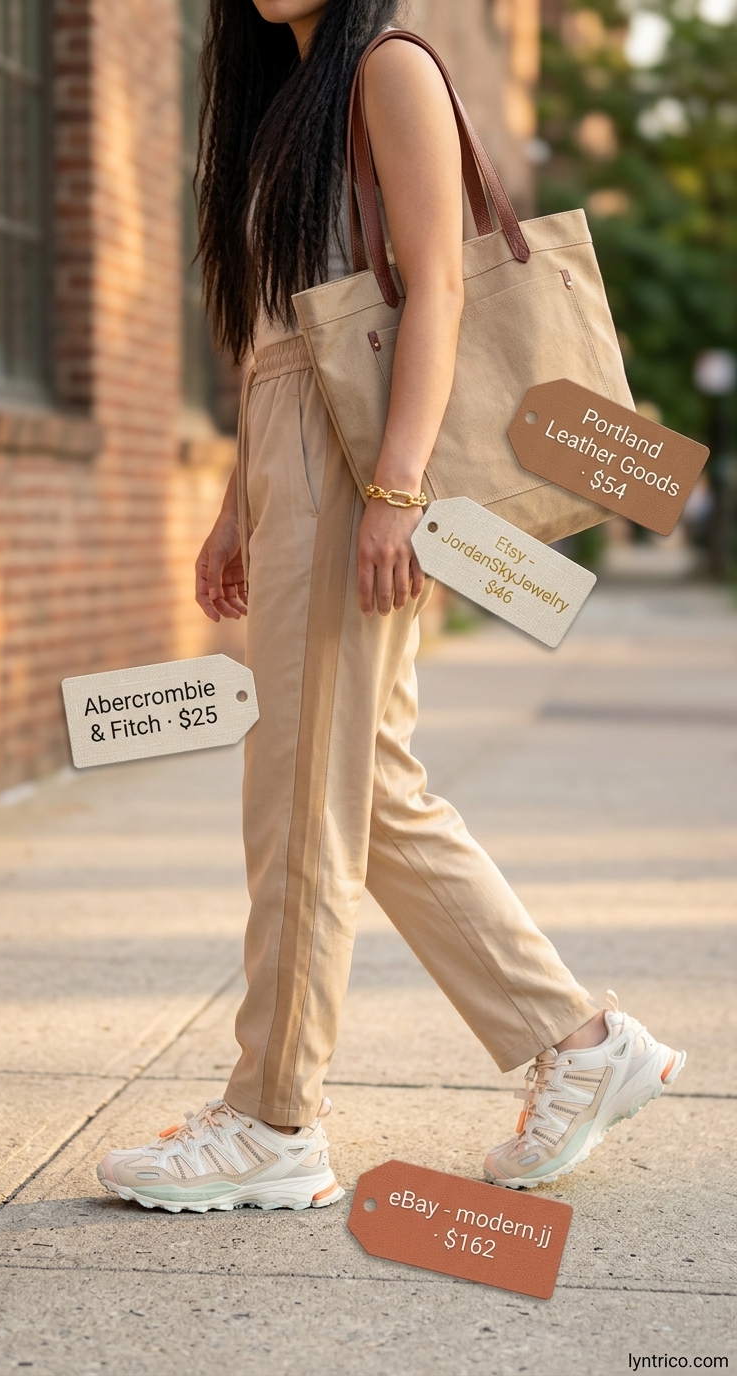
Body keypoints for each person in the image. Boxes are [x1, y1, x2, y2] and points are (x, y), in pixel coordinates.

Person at [97, 0, 684, 1213]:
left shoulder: (389, 69)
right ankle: (582, 1043)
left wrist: (399, 490)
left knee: (301, 800)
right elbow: (282, 337)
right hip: (293, 452)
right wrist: (234, 501)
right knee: (363, 781)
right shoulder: (289, 96)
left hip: (356, 460)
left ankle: (273, 1115)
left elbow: (439, 295)